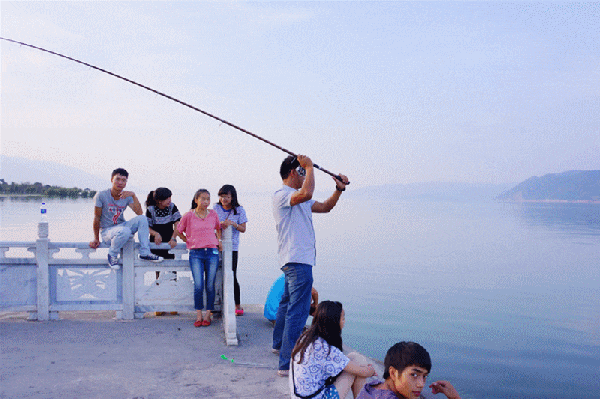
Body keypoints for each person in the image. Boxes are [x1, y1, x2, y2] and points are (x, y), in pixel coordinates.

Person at [272, 155, 349, 376]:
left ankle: (279, 346)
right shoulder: (282, 195)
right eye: (302, 171)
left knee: (287, 304)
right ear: (294, 172)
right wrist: (308, 165)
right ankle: (287, 365)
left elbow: (325, 207)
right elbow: (307, 192)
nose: (305, 174)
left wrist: (338, 190)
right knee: (298, 310)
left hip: (296, 259)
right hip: (297, 260)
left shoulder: (300, 199)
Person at [290, 301, 377, 399]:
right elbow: (363, 372)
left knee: (354, 358)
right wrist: (371, 370)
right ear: (334, 322)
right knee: (359, 362)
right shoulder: (326, 349)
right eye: (343, 319)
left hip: (299, 396)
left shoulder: (306, 337)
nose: (344, 322)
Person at [89, 168, 163, 269]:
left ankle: (145, 252)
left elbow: (139, 212)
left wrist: (133, 195)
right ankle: (112, 255)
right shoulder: (101, 195)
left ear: (126, 182)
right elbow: (97, 218)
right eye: (117, 179)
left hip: (121, 228)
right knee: (125, 231)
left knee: (142, 219)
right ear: (112, 180)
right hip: (107, 232)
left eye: (123, 180)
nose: (120, 182)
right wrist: (96, 238)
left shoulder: (127, 196)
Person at [177, 189, 222, 327]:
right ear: (196, 199)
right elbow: (179, 231)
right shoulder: (189, 215)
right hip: (196, 253)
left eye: (208, 199)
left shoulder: (213, 214)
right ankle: (198, 314)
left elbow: (218, 228)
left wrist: (219, 241)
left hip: (212, 252)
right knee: (198, 285)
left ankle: (208, 314)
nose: (206, 202)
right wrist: (188, 241)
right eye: (203, 199)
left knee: (210, 284)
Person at [356, 342, 461, 399]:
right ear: (393, 373)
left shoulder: (373, 386)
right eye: (414, 375)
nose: (421, 384)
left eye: (424, 376)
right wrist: (454, 397)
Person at [146, 187, 182, 316]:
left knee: (172, 272)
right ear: (159, 200)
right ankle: (160, 304)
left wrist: (174, 237)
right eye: (167, 198)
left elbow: (179, 224)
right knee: (159, 273)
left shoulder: (172, 207)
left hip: (170, 243)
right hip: (156, 244)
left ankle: (173, 302)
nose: (169, 200)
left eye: (170, 197)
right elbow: (147, 226)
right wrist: (155, 234)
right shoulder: (151, 210)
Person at [213, 184, 248, 316]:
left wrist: (233, 224)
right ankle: (216, 304)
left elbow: (243, 229)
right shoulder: (216, 208)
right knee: (216, 275)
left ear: (232, 197)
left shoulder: (239, 210)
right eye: (222, 197)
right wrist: (219, 228)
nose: (224, 199)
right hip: (217, 245)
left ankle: (237, 305)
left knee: (232, 275)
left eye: (226, 197)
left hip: (232, 247)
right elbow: (212, 225)